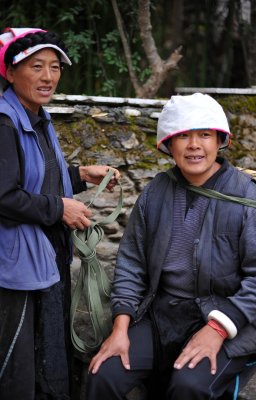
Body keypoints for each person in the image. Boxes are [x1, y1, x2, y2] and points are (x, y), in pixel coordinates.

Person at [87, 93, 256, 399]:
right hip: (162, 315)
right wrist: (120, 329)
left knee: (188, 387)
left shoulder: (245, 196)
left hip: (226, 316)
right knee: (103, 373)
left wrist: (217, 330)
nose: (194, 144)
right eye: (182, 136)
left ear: (220, 141)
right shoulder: (157, 191)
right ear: (168, 144)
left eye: (205, 135)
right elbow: (132, 265)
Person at [0, 27, 120, 400]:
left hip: (45, 259)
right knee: (17, 367)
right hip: (14, 270)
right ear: (8, 72)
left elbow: (37, 180)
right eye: (36, 66)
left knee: (47, 355)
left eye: (55, 67)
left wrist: (81, 175)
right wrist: (59, 209)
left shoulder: (37, 117)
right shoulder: (4, 124)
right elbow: (4, 195)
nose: (48, 76)